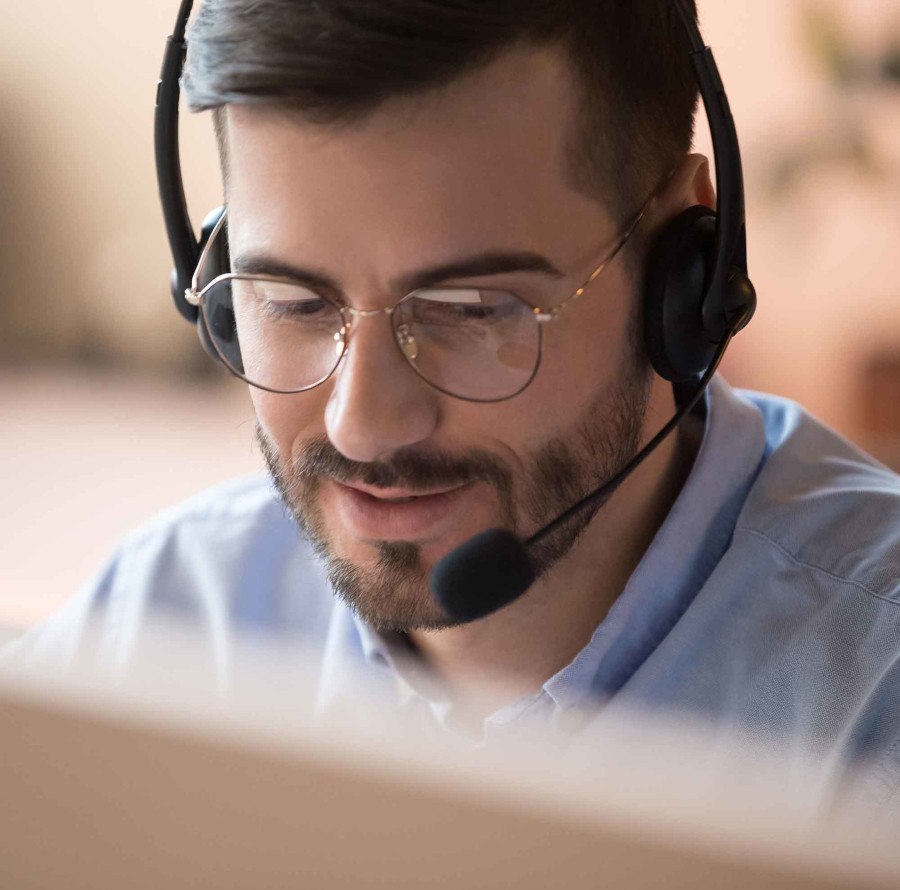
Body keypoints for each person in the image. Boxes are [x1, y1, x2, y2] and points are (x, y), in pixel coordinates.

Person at [8, 1, 900, 807]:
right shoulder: (166, 619)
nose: (361, 423)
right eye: (290, 300)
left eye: (472, 311)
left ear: (684, 277)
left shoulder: (872, 694)